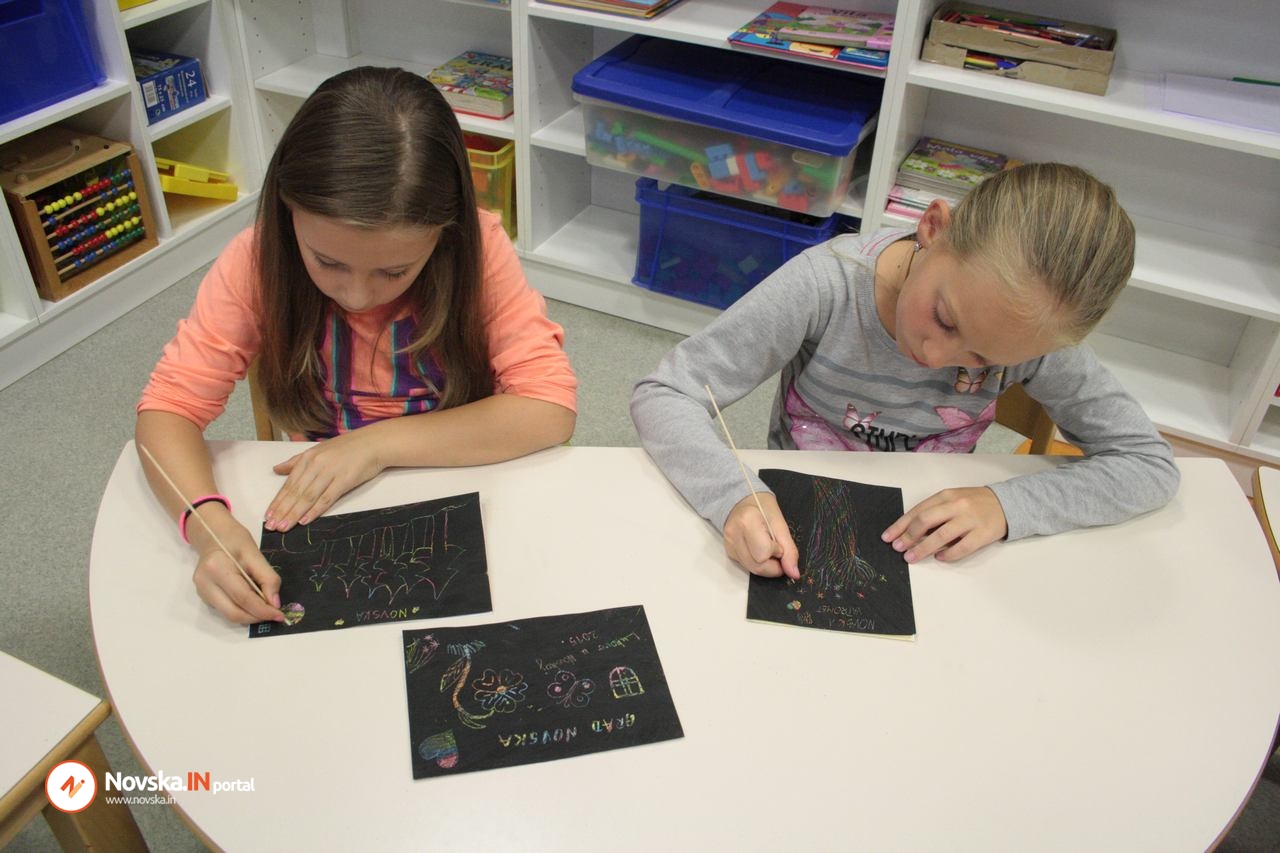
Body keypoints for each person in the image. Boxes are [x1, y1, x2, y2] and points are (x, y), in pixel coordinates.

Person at [136, 67, 577, 624]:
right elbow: (168, 409)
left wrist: (372, 447)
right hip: (329, 505)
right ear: (287, 210)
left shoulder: (480, 251)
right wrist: (207, 524)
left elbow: (548, 408)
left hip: (462, 477)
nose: (357, 295)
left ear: (445, 232)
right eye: (327, 262)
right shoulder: (255, 261)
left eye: (394, 271)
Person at [631, 162, 1178, 580]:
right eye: (945, 318)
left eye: (987, 361)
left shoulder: (1037, 336)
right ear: (933, 228)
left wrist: (1007, 505)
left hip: (935, 546)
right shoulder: (827, 284)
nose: (936, 358)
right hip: (794, 523)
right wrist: (733, 496)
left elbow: (1148, 464)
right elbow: (665, 393)